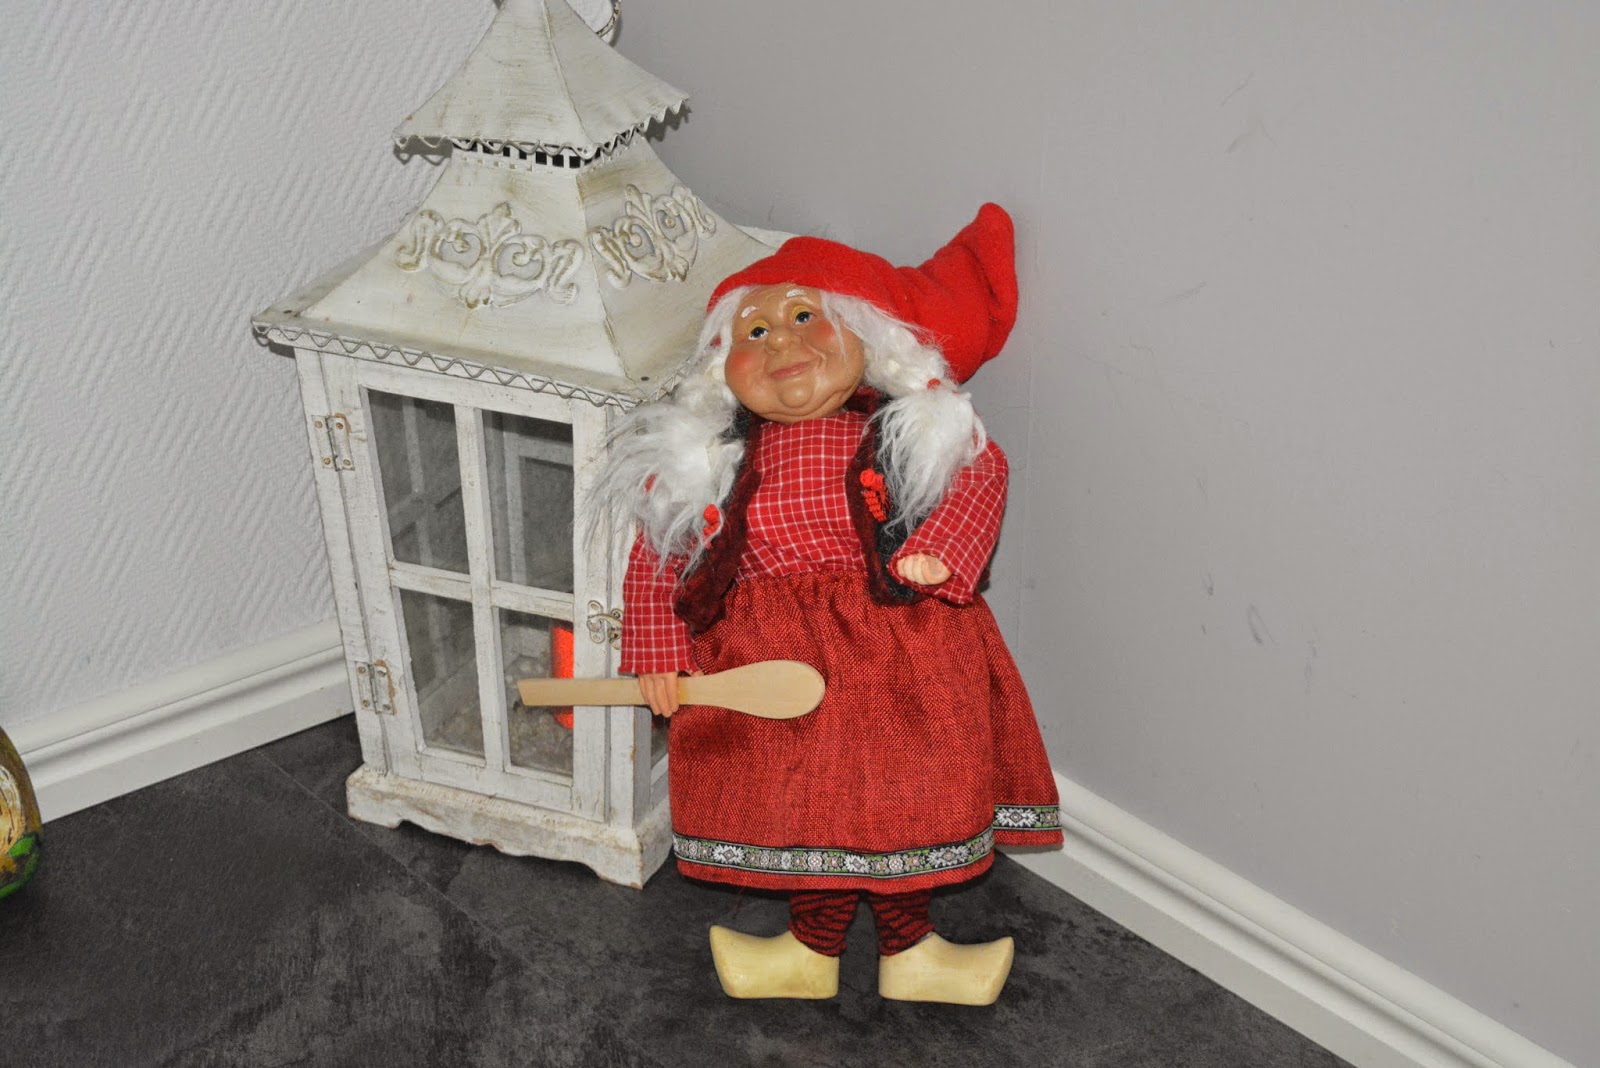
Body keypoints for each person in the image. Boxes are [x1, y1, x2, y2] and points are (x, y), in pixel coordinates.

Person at [598, 204, 1061, 1004]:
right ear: (723, 366)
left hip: (899, 647)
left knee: (902, 795)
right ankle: (809, 951)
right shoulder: (712, 459)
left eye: (805, 317)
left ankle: (912, 950)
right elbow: (661, 547)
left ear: (865, 336)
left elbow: (981, 471)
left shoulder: (906, 428)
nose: (782, 343)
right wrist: (657, 652)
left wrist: (943, 553)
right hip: (768, 658)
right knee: (805, 801)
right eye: (755, 331)